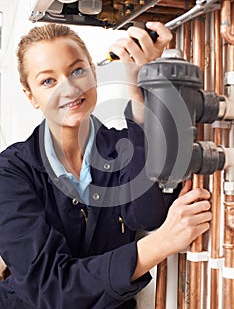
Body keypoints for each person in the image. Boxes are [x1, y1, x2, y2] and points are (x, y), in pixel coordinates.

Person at [0, 22, 211, 309]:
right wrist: (161, 243)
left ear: (94, 74)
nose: (69, 88)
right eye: (48, 81)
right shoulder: (10, 174)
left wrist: (140, 94)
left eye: (77, 71)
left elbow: (147, 215)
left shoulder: (123, 145)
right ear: (30, 96)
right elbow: (51, 288)